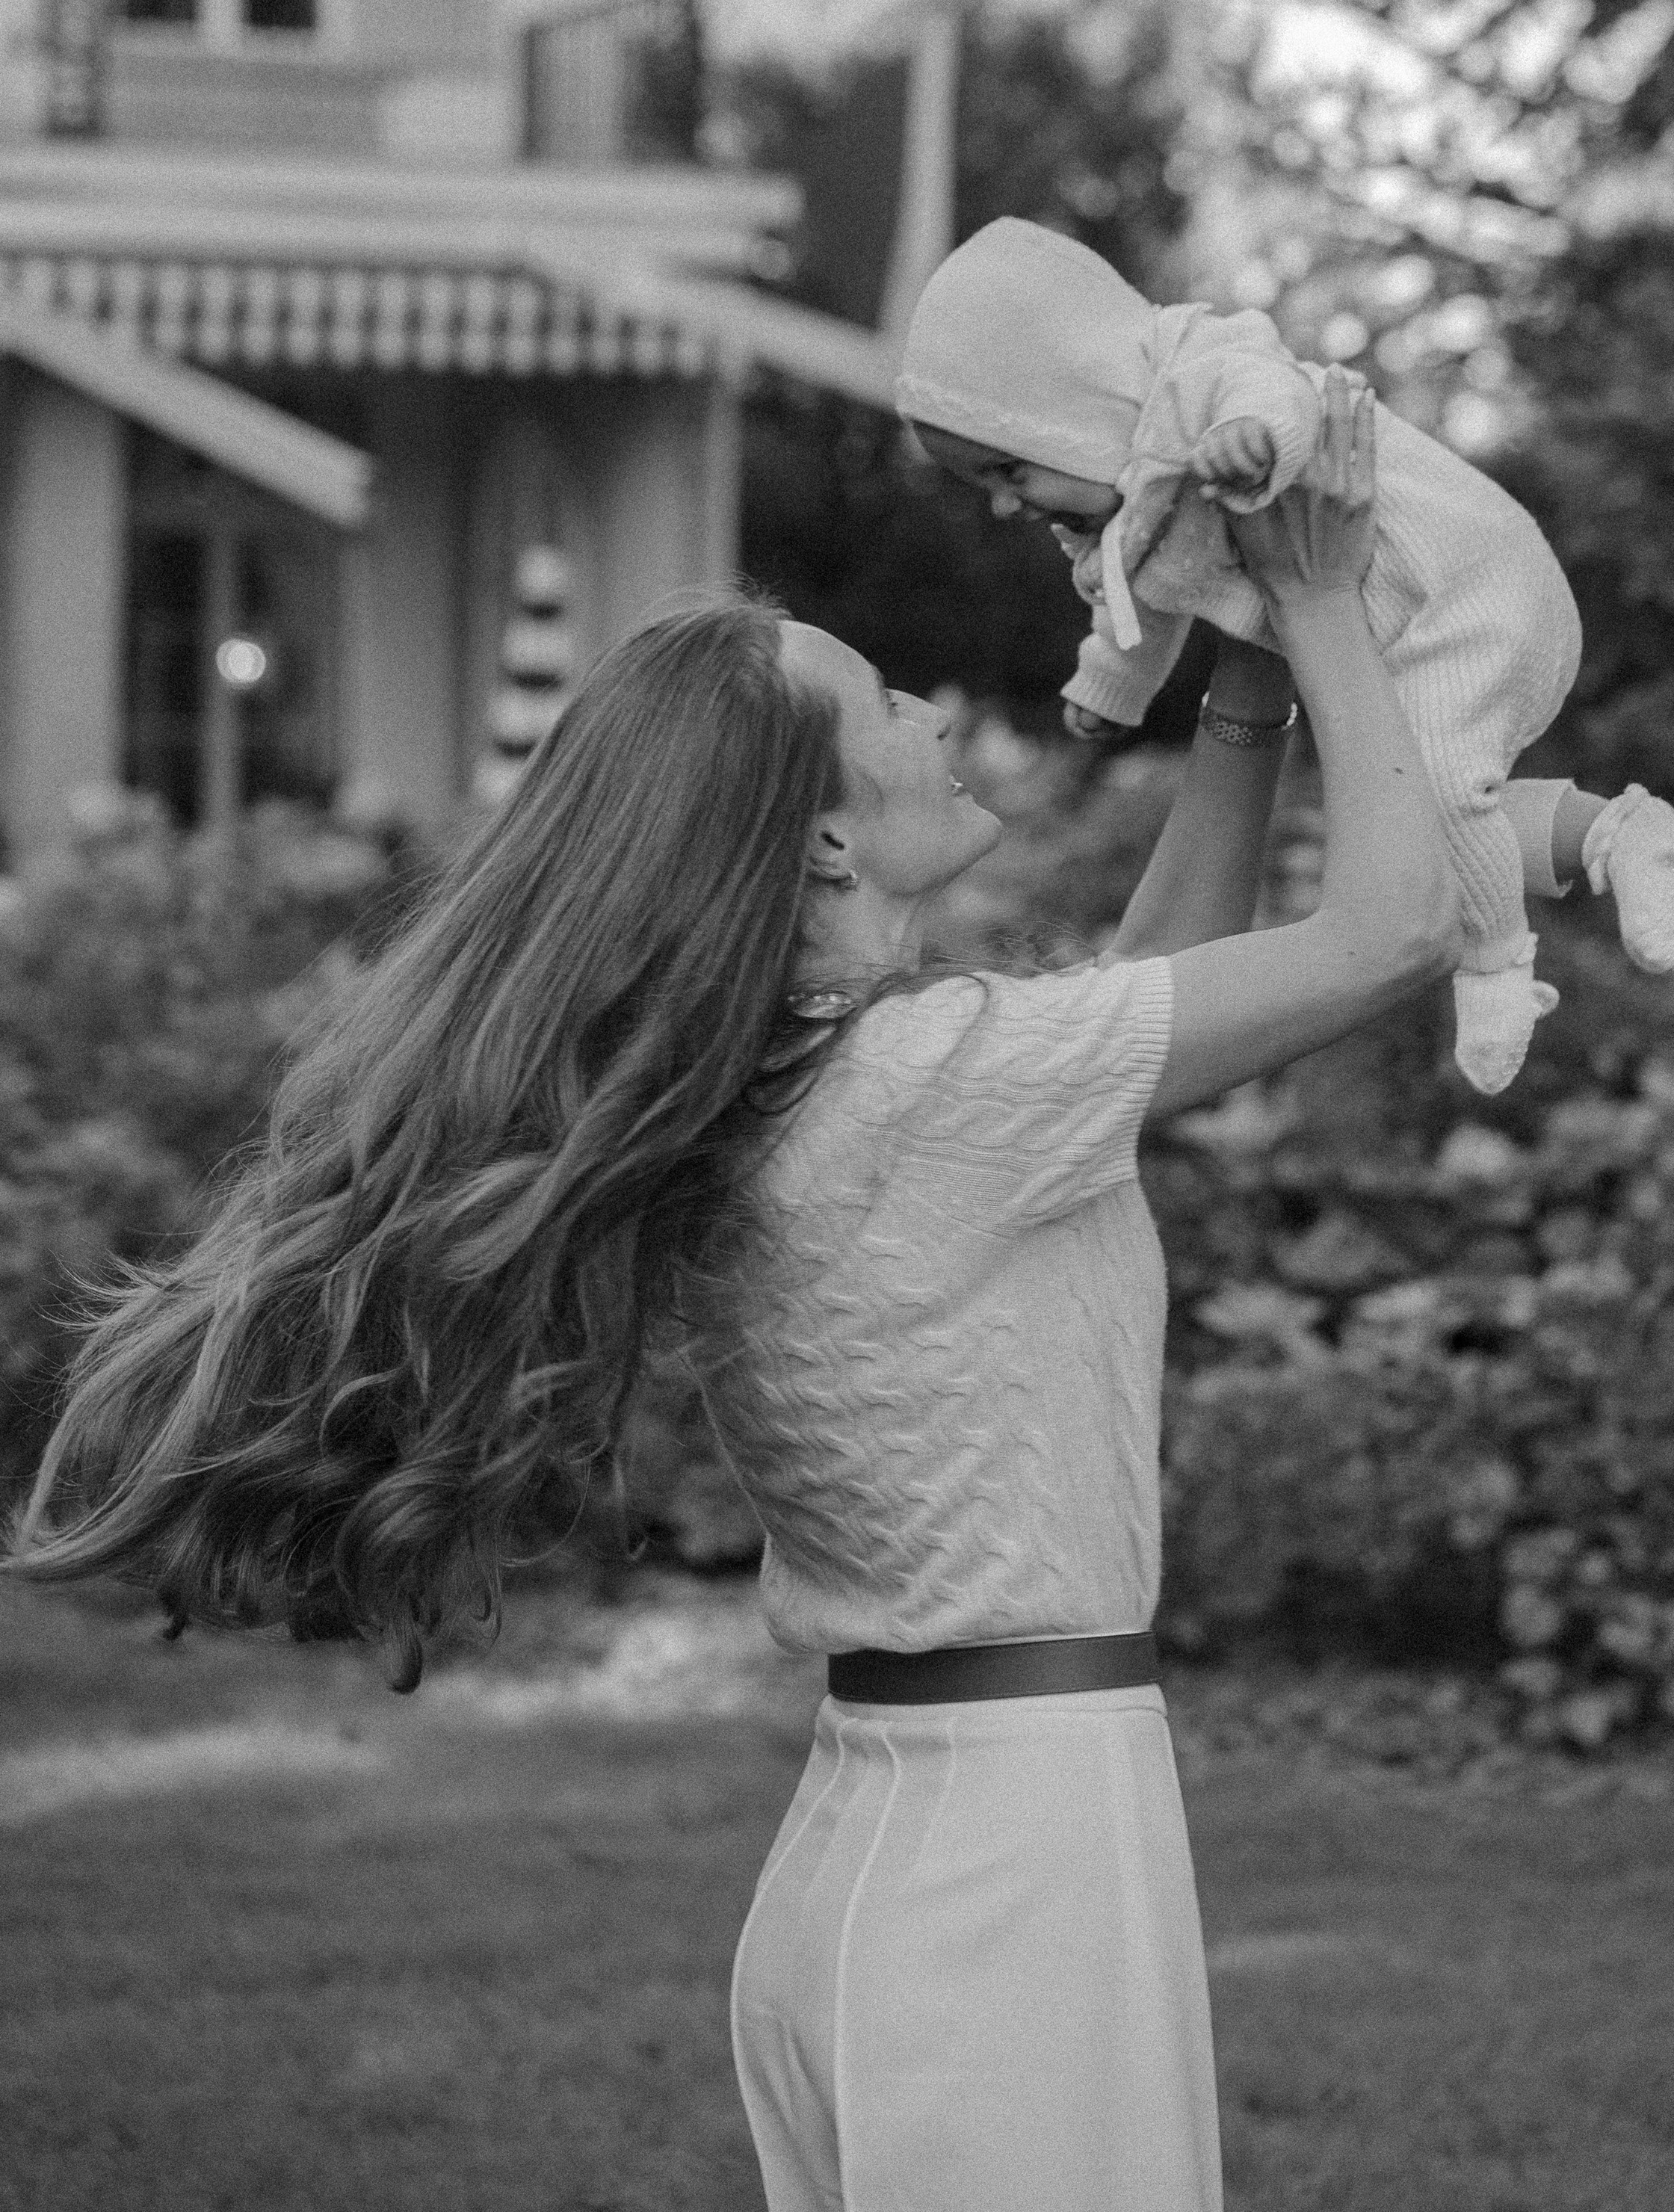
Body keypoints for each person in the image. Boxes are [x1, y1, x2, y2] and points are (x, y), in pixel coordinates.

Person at [13, 372, 1457, 2212]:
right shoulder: (928, 1088)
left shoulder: (840, 1085)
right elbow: (1389, 931)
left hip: (907, 1838)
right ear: (824, 840)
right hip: (1004, 1869)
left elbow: (1142, 1006)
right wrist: (1324, 589)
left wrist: (1243, 686)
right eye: (880, 706)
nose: (930, 712)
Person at [898, 213, 1674, 1096]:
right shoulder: (1121, 513)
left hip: (1470, 590)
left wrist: (1254, 447)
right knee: (1405, 825)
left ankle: (1497, 970)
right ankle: (1621, 838)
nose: (1003, 509)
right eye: (981, 486)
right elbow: (1142, 609)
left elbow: (1281, 393)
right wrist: (1109, 688)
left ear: (1072, 403)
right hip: (1401, 624)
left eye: (1008, 472)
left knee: (1430, 793)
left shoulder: (1191, 373)